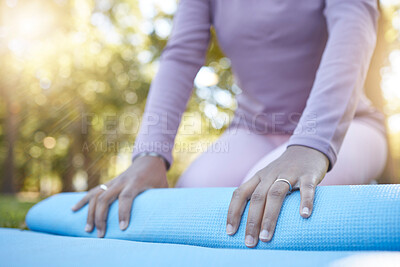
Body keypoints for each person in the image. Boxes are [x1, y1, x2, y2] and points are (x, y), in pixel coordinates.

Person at [71, 0, 388, 248]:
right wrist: (150, 155)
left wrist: (312, 145)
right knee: (193, 202)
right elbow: (180, 57)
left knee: (273, 206)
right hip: (254, 130)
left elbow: (353, 31)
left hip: (347, 128)